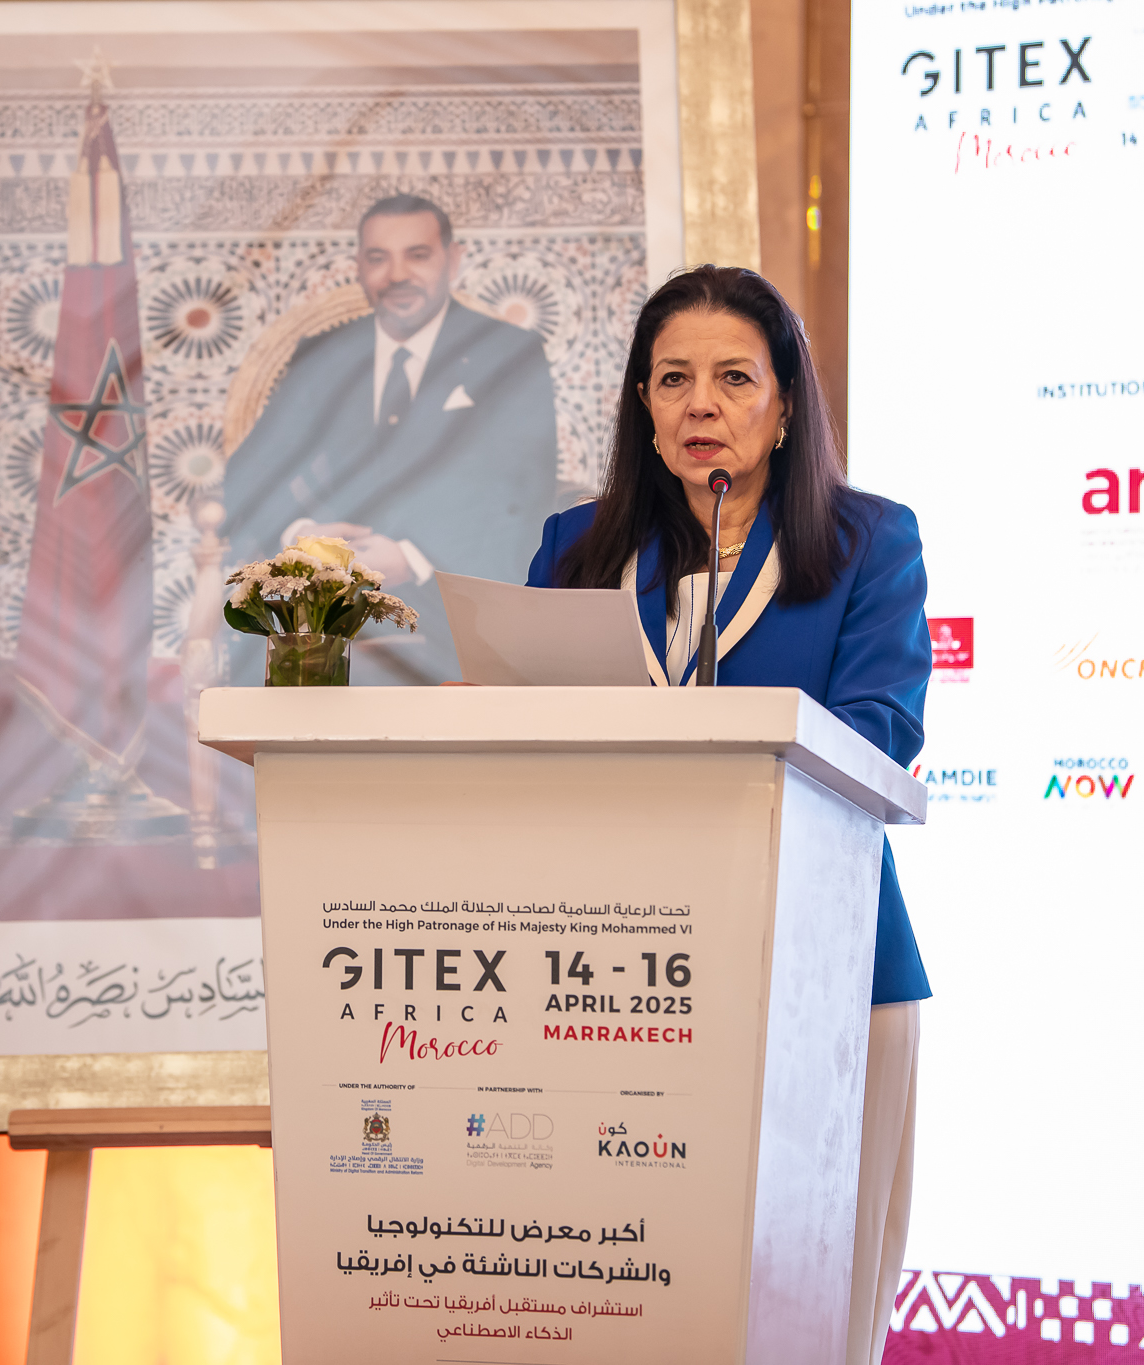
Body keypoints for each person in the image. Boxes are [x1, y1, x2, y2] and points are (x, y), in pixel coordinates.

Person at [526, 264, 931, 1365]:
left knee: (818, 1292)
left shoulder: (867, 541)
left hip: (826, 954)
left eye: (733, 378)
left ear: (785, 402)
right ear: (642, 405)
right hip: (615, 957)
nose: (699, 404)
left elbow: (883, 728)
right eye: (672, 380)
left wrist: (727, 739)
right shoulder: (577, 548)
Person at [223, 193, 559, 681]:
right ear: (359, 267)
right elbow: (246, 478)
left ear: (453, 260)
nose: (397, 274)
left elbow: (525, 494)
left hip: (461, 616)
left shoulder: (508, 354)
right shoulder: (322, 355)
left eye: (417, 255)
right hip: (331, 624)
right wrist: (303, 541)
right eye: (379, 258)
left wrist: (411, 557)